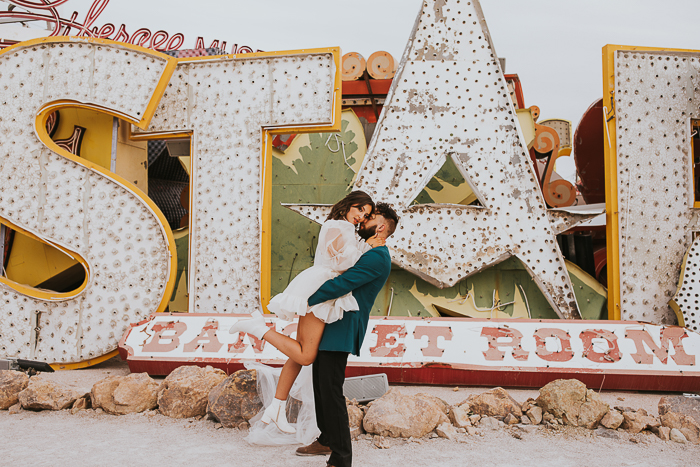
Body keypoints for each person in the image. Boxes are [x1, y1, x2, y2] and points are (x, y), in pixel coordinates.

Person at [228, 191, 384, 434]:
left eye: (365, 215)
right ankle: (258, 329)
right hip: (321, 289)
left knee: (299, 353)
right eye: (360, 211)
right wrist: (366, 248)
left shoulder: (344, 228)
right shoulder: (338, 226)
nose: (361, 218)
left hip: (324, 289)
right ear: (349, 206)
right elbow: (342, 264)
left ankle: (277, 407)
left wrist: (362, 245)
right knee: (306, 355)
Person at [296, 202, 399, 467]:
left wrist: (306, 299)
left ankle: (341, 457)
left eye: (370, 217)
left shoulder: (378, 258)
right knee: (321, 382)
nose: (363, 220)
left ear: (381, 227)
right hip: (333, 321)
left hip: (344, 324)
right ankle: (326, 438)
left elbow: (344, 283)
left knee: (330, 388)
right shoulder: (368, 251)